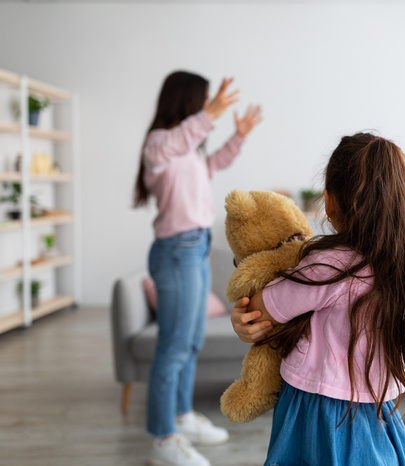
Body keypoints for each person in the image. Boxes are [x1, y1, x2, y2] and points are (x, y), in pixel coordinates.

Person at [231, 133, 405, 465]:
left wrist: (243, 311)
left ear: (328, 200)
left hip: (321, 415)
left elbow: (260, 309)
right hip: (378, 413)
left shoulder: (330, 265)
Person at [132, 70, 262, 466]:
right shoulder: (159, 145)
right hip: (177, 251)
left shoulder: (187, 151)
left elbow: (212, 164)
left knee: (189, 345)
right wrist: (212, 112)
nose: (209, 108)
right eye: (203, 101)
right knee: (172, 350)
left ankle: (182, 417)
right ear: (188, 102)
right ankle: (163, 440)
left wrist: (237, 135)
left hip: (196, 248)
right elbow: (179, 139)